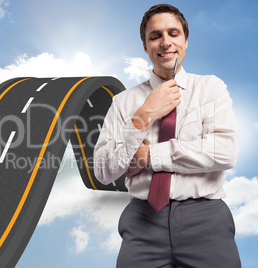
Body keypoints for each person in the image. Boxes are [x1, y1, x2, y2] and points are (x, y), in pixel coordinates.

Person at [93, 4, 241, 267]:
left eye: (173, 33)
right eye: (155, 36)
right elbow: (104, 170)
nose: (165, 42)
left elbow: (224, 152)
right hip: (142, 221)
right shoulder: (123, 102)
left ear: (185, 40)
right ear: (145, 45)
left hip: (206, 220)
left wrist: (150, 155)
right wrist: (144, 115)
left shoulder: (210, 89)